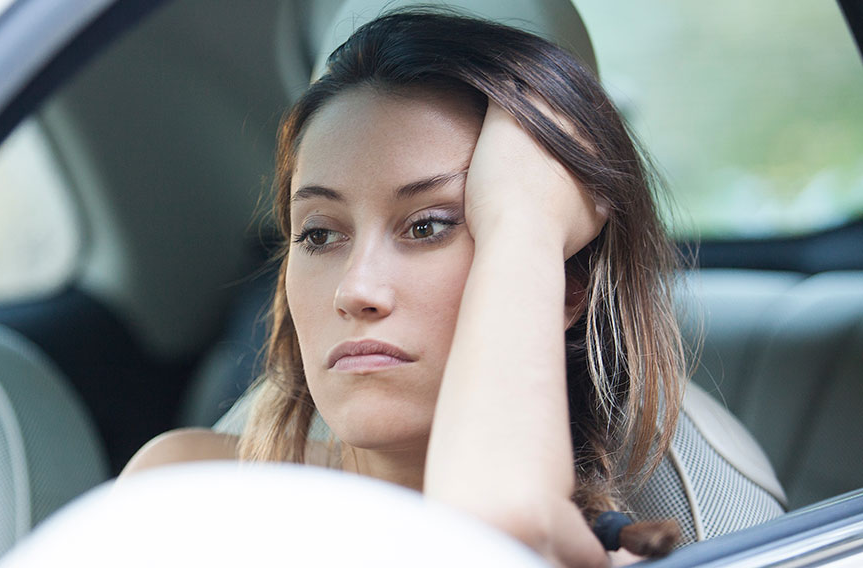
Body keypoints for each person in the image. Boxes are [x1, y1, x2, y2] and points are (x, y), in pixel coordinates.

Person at [123, 9, 686, 567]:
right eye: (318, 234)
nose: (355, 290)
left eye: (427, 227)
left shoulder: (589, 553)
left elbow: (494, 542)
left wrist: (523, 224)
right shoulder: (181, 493)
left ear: (565, 286)